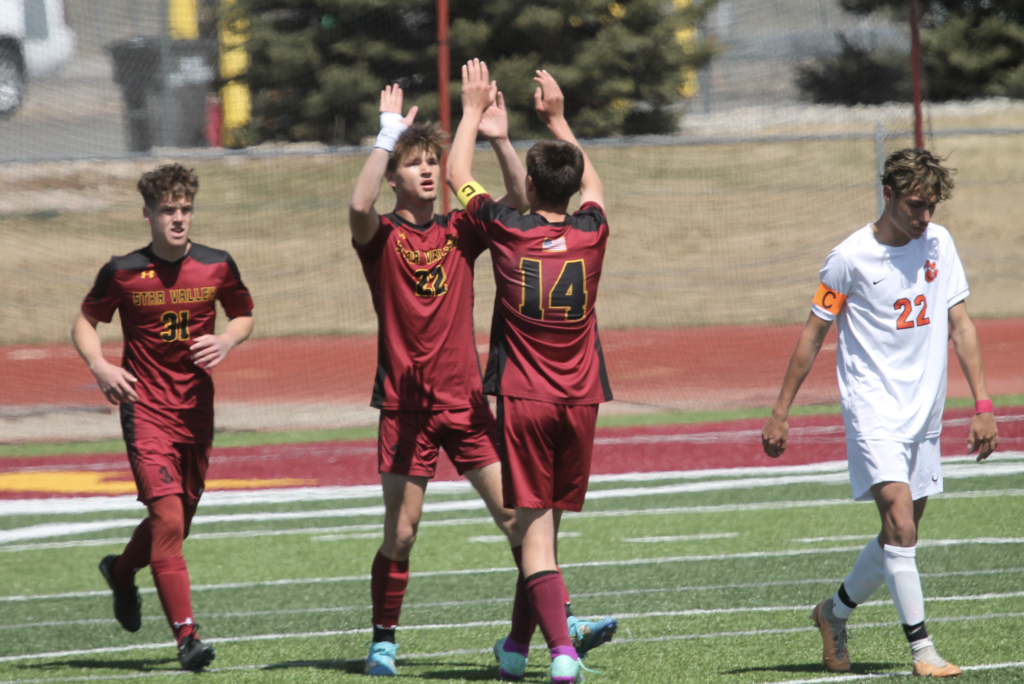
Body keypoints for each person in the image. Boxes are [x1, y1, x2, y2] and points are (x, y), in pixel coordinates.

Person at [761, 148, 998, 678]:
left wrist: (982, 404)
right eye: (915, 205)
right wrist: (781, 411)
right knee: (899, 521)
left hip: (925, 412)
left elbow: (961, 325)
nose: (924, 217)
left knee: (901, 534)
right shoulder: (848, 259)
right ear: (888, 195)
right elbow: (813, 334)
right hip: (872, 409)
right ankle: (923, 651)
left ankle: (832, 613)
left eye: (931, 206)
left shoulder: (939, 243)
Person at [348, 82, 534, 677]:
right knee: (402, 534)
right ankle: (383, 640)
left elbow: (520, 202)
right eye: (414, 163)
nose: (428, 170)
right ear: (394, 176)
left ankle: (556, 622)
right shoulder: (381, 238)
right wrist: (387, 135)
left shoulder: (460, 230)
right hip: (406, 409)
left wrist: (499, 140)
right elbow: (357, 205)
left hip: (467, 405)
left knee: (517, 520)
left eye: (433, 161)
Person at [448, 61, 617, 684]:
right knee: (544, 529)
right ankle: (516, 648)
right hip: (581, 399)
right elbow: (593, 181)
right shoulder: (593, 232)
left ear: (529, 185)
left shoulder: (506, 228)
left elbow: (457, 175)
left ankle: (562, 653)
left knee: (535, 535)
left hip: (525, 399)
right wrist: (557, 119)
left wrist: (472, 113)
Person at [72, 163, 254, 672]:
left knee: (176, 523)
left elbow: (243, 314)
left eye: (186, 209)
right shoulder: (123, 271)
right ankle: (187, 638)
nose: (178, 218)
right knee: (169, 520)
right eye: (168, 210)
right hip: (145, 410)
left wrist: (227, 339)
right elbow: (85, 321)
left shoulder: (217, 265)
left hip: (196, 413)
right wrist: (100, 365)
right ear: (148, 213)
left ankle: (121, 571)